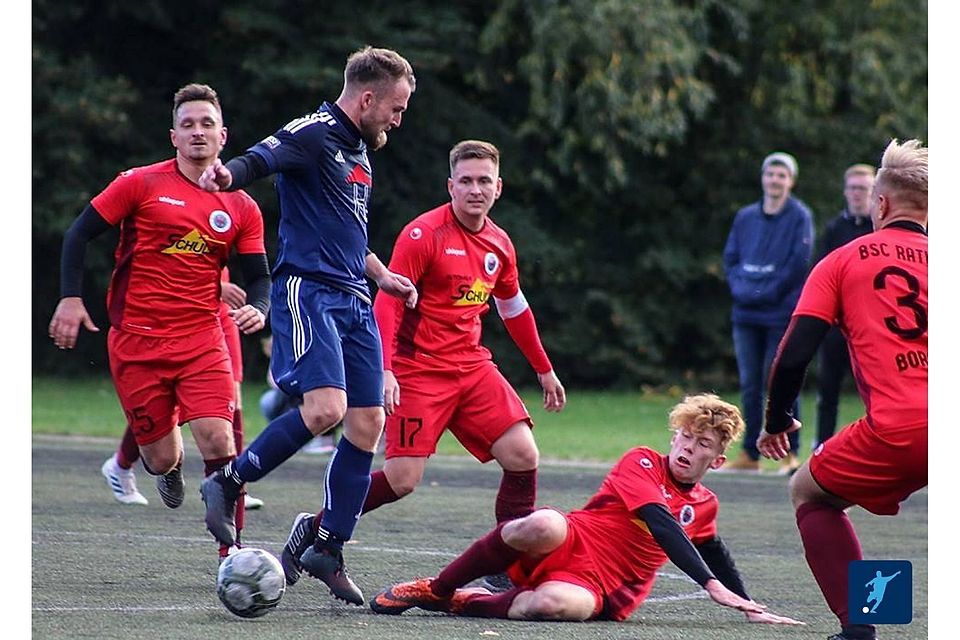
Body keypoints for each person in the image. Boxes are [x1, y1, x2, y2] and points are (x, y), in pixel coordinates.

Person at [281, 139, 566, 593]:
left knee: (523, 454)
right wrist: (385, 370)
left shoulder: (499, 243)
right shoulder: (424, 234)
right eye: (466, 181)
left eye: (484, 181)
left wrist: (543, 369)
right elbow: (388, 304)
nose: (475, 189)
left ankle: (505, 562)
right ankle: (315, 528)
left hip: (472, 368)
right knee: (402, 480)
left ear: (498, 188)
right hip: (418, 370)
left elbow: (515, 310)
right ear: (451, 185)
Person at [197, 46, 419, 606]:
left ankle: (327, 546)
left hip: (353, 296)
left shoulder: (359, 152)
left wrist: (383, 274)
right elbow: (261, 158)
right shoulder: (317, 131)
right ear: (367, 99)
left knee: (368, 423)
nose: (398, 118)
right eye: (395, 107)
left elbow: (347, 232)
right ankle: (227, 482)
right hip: (309, 291)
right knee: (327, 409)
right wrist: (228, 174)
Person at [48, 83, 271, 559]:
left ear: (223, 135)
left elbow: (260, 277)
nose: (197, 132)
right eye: (187, 124)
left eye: (206, 124)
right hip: (136, 343)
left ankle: (231, 557)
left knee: (220, 437)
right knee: (161, 456)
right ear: (173, 136)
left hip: (201, 339)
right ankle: (167, 468)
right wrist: (70, 299)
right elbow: (78, 234)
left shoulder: (242, 206)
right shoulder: (140, 183)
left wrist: (261, 307)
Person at [368, 394, 802, 626]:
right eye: (686, 437)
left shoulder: (705, 505)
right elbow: (661, 522)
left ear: (717, 460)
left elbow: (712, 549)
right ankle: (437, 587)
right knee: (542, 523)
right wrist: (709, 585)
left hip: (603, 587)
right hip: (572, 540)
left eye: (703, 444)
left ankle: (464, 603)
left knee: (550, 605)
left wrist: (746, 602)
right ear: (674, 438)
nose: (690, 448)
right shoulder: (643, 461)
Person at [757, 139, 927, 640]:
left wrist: (777, 420)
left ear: (880, 204)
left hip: (902, 428)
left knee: (810, 492)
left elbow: (792, 355)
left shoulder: (842, 260)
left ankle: (863, 626)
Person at [100, 270, 266, 513]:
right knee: (166, 404)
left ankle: (232, 483)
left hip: (218, 311)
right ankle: (122, 464)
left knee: (231, 394)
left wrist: (258, 303)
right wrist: (215, 286)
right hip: (177, 312)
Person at [721, 151, 813, 474]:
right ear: (763, 178)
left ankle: (790, 454)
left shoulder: (800, 216)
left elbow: (798, 264)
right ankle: (749, 454)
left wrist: (766, 291)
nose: (775, 180)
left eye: (781, 175)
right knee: (749, 383)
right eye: (770, 174)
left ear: (791, 181)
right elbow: (730, 259)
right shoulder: (745, 217)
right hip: (745, 314)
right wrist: (742, 289)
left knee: (780, 379)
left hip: (780, 313)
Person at [811, 164, 875, 450]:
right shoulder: (835, 228)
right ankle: (821, 450)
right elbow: (822, 273)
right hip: (839, 325)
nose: (857, 194)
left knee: (874, 394)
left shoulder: (880, 228)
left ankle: (875, 452)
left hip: (873, 326)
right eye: (852, 188)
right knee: (828, 390)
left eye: (863, 188)